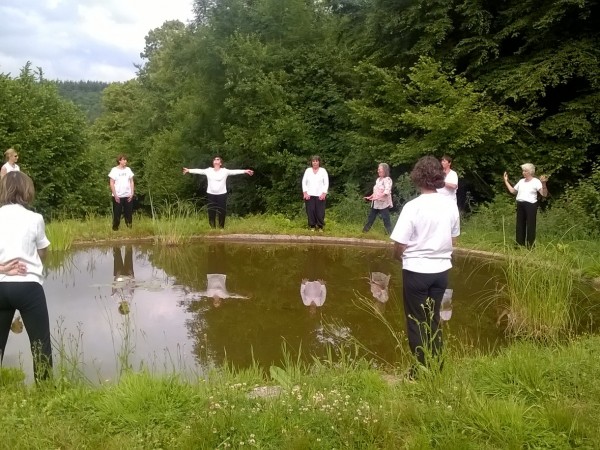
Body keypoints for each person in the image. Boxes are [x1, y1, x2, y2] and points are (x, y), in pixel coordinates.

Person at [390, 156, 460, 376]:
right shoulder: (450, 206)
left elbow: (400, 244)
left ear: (417, 177)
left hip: (417, 271)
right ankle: (437, 366)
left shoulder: (413, 207)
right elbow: (454, 239)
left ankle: (419, 372)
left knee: (416, 321)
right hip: (441, 272)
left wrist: (397, 257)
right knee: (433, 318)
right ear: (439, 176)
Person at [0, 171, 53, 381]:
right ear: (26, 190)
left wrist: (2, 269)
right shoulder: (35, 218)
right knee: (40, 343)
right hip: (29, 286)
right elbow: (43, 251)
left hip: (1, 284)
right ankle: (45, 388)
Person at [183, 156, 254, 228]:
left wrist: (245, 171)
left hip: (222, 194)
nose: (216, 160)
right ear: (213, 162)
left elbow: (234, 172)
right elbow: (199, 171)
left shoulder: (225, 171)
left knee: (222, 211)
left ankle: (221, 227)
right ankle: (212, 228)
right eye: (214, 159)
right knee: (211, 211)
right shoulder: (208, 170)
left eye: (218, 159)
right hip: (211, 194)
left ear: (220, 163)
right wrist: (189, 170)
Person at [503, 163, 548, 248]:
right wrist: (506, 181)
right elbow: (513, 191)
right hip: (520, 204)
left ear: (530, 172)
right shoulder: (521, 181)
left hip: (531, 205)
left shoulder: (536, 181)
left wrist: (544, 184)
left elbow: (544, 194)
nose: (523, 172)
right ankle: (519, 245)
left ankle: (530, 246)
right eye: (523, 171)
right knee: (520, 225)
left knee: (531, 225)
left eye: (525, 171)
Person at [363, 163, 393, 234]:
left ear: (384, 170)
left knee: (386, 219)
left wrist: (379, 196)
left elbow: (387, 191)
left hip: (383, 204)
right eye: (378, 169)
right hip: (376, 203)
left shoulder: (387, 180)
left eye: (379, 169)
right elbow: (376, 191)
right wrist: (370, 197)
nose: (378, 171)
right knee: (371, 218)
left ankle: (389, 234)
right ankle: (364, 232)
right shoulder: (378, 180)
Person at [302, 155, 329, 232]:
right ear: (311, 162)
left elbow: (326, 183)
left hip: (320, 195)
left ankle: (320, 226)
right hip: (309, 195)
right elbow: (304, 182)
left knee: (320, 212)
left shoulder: (323, 171)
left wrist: (324, 193)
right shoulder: (308, 170)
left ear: (319, 162)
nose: (315, 163)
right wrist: (305, 193)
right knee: (310, 211)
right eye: (313, 161)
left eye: (316, 161)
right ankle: (312, 226)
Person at [108, 154, 135, 231]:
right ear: (119, 161)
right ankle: (115, 229)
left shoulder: (128, 170)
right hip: (118, 196)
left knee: (128, 213)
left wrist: (132, 193)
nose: (125, 161)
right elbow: (111, 183)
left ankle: (129, 228)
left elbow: (131, 181)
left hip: (128, 195)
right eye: (124, 160)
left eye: (126, 160)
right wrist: (115, 195)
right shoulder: (114, 170)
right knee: (117, 213)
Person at [112, 245, 135, 315]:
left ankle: (116, 245)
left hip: (119, 276)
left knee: (117, 258)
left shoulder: (116, 299)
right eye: (128, 308)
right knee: (129, 257)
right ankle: (129, 244)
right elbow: (132, 288)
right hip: (128, 276)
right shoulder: (129, 300)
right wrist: (132, 276)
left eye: (126, 308)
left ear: (122, 308)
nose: (127, 307)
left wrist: (116, 277)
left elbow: (113, 288)